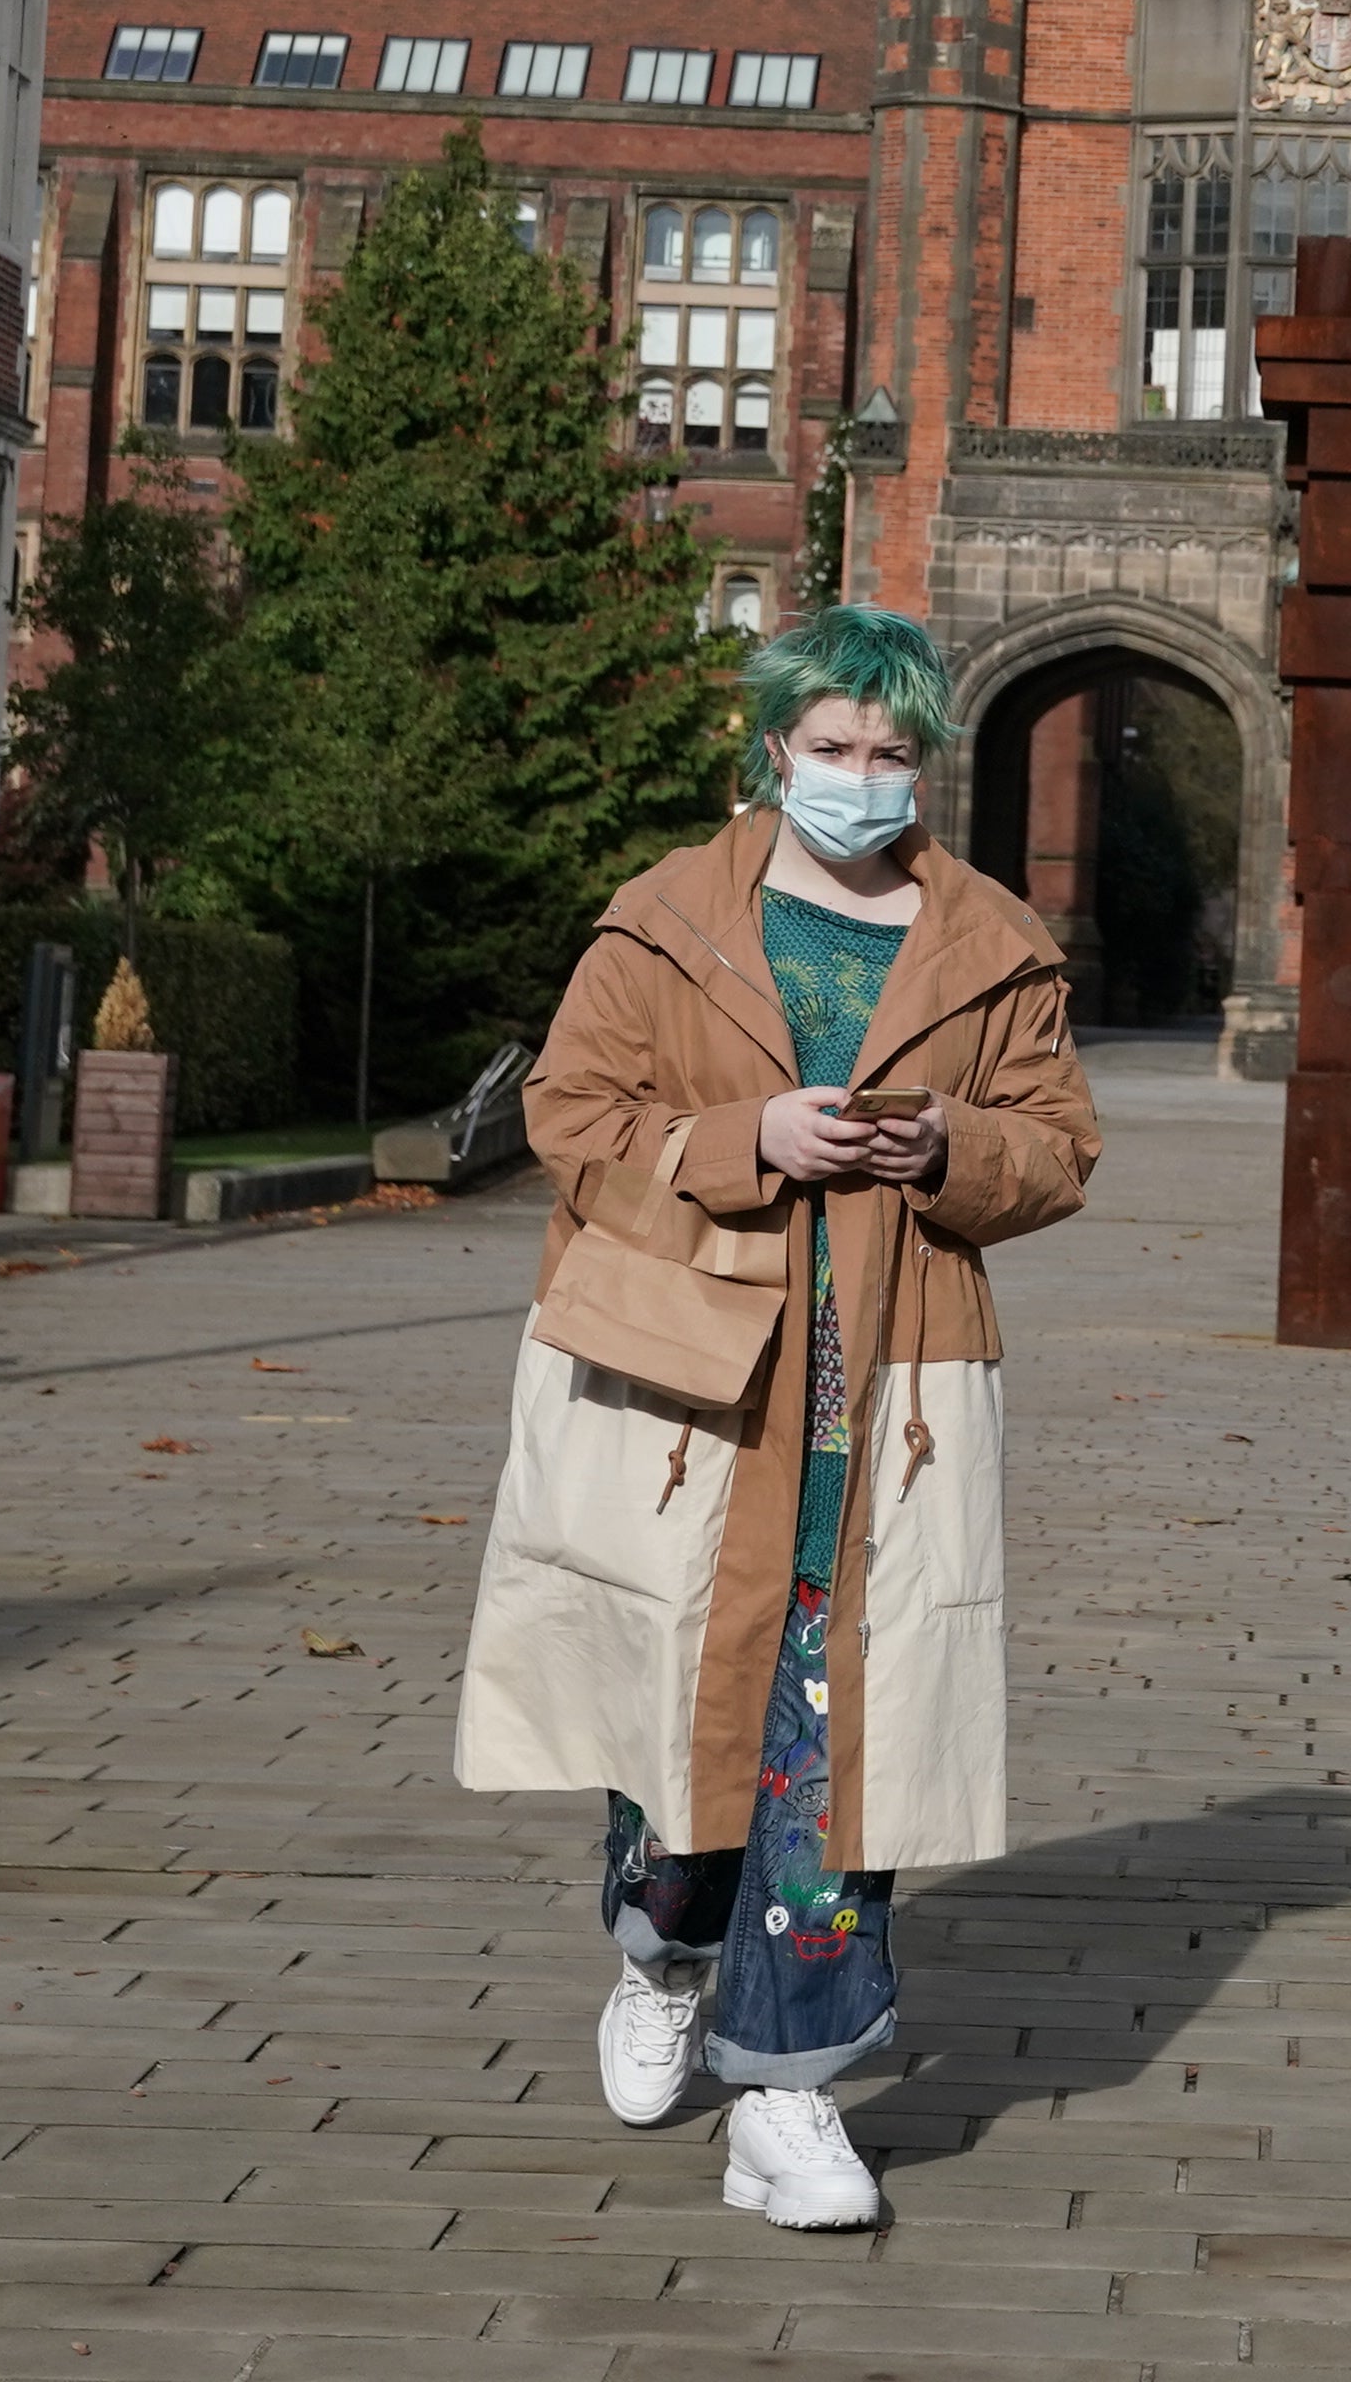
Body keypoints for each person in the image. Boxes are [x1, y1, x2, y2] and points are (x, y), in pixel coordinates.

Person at [455, 603, 1097, 2230]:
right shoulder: (667, 919)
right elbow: (572, 1114)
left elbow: (1058, 1150)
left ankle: (791, 2099)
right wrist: (750, 1139)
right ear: (773, 751)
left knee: (843, 1747)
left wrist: (946, 1143)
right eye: (833, 749)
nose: (863, 780)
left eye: (892, 755)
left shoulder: (997, 943)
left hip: (895, 1398)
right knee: (692, 1722)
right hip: (694, 1391)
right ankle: (663, 1947)